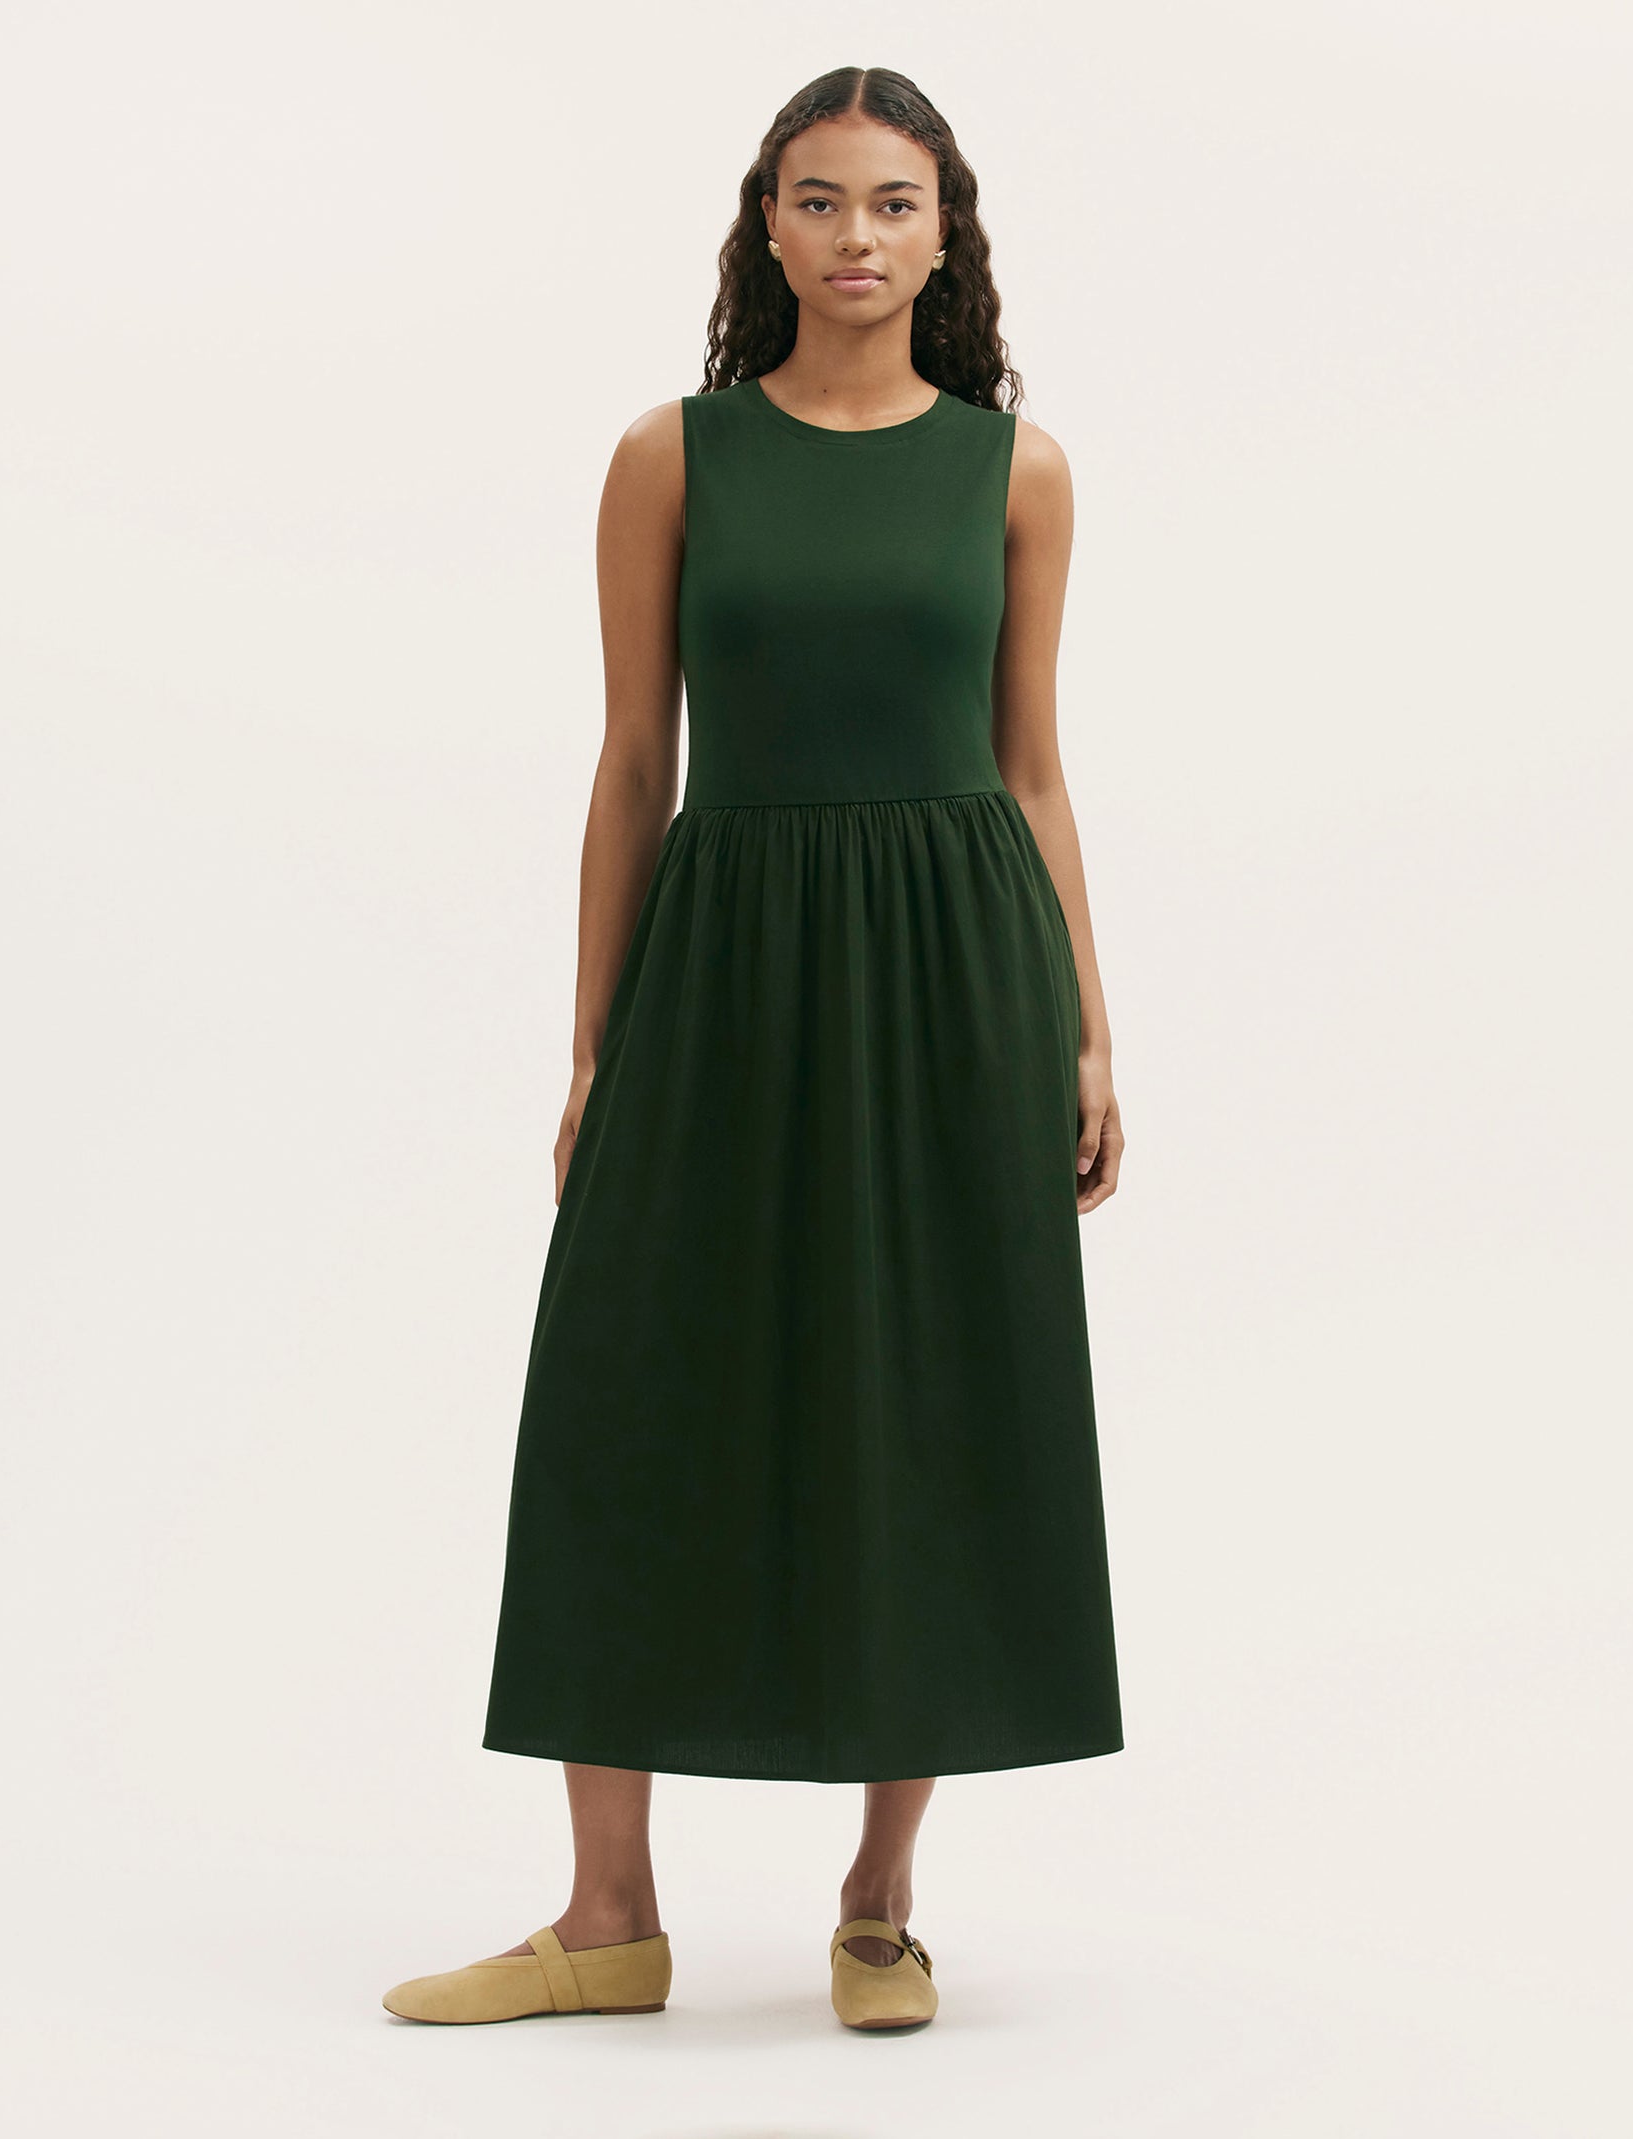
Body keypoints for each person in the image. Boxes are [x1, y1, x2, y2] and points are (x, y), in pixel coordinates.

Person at [383, 64, 1125, 2035]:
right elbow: (634, 760)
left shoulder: (1017, 469)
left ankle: (878, 1904)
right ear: (765, 227)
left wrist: (1083, 1033)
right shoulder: (672, 457)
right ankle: (605, 1916)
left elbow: (1032, 769)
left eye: (891, 202)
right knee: (624, 1387)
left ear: (944, 234)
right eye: (818, 199)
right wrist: (589, 1045)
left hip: (952, 967)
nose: (854, 235)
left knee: (925, 1397)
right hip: (722, 960)